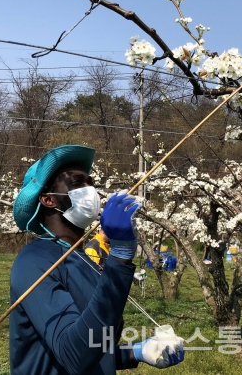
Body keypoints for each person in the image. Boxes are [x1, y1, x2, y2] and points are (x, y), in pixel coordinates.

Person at [10, 145, 184, 375]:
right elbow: (74, 354)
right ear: (48, 199)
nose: (90, 189)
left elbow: (92, 344)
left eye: (90, 182)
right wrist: (120, 257)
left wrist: (136, 352)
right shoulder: (35, 261)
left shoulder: (81, 258)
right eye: (77, 182)